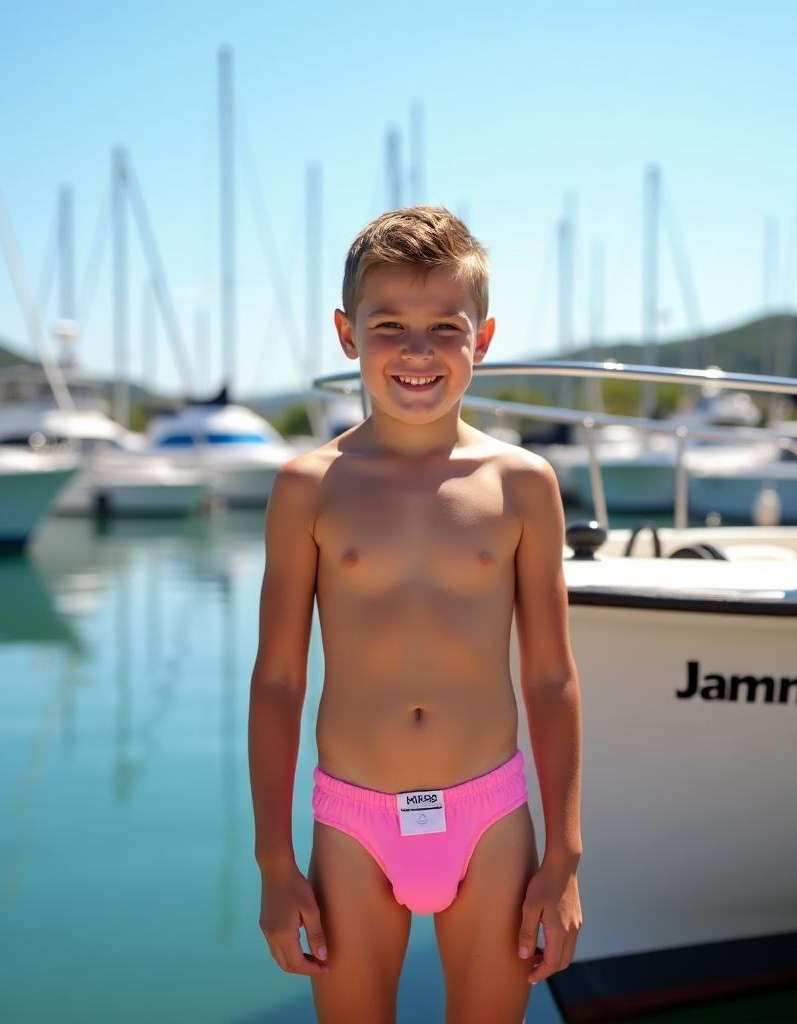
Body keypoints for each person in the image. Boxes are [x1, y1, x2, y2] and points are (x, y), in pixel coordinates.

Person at [249, 206, 582, 1023]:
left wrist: (565, 859)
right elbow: (279, 680)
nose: (418, 351)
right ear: (346, 333)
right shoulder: (308, 486)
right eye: (389, 324)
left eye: (446, 327)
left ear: (486, 336)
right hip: (353, 820)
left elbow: (550, 676)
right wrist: (273, 864)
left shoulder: (522, 483)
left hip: (492, 815)